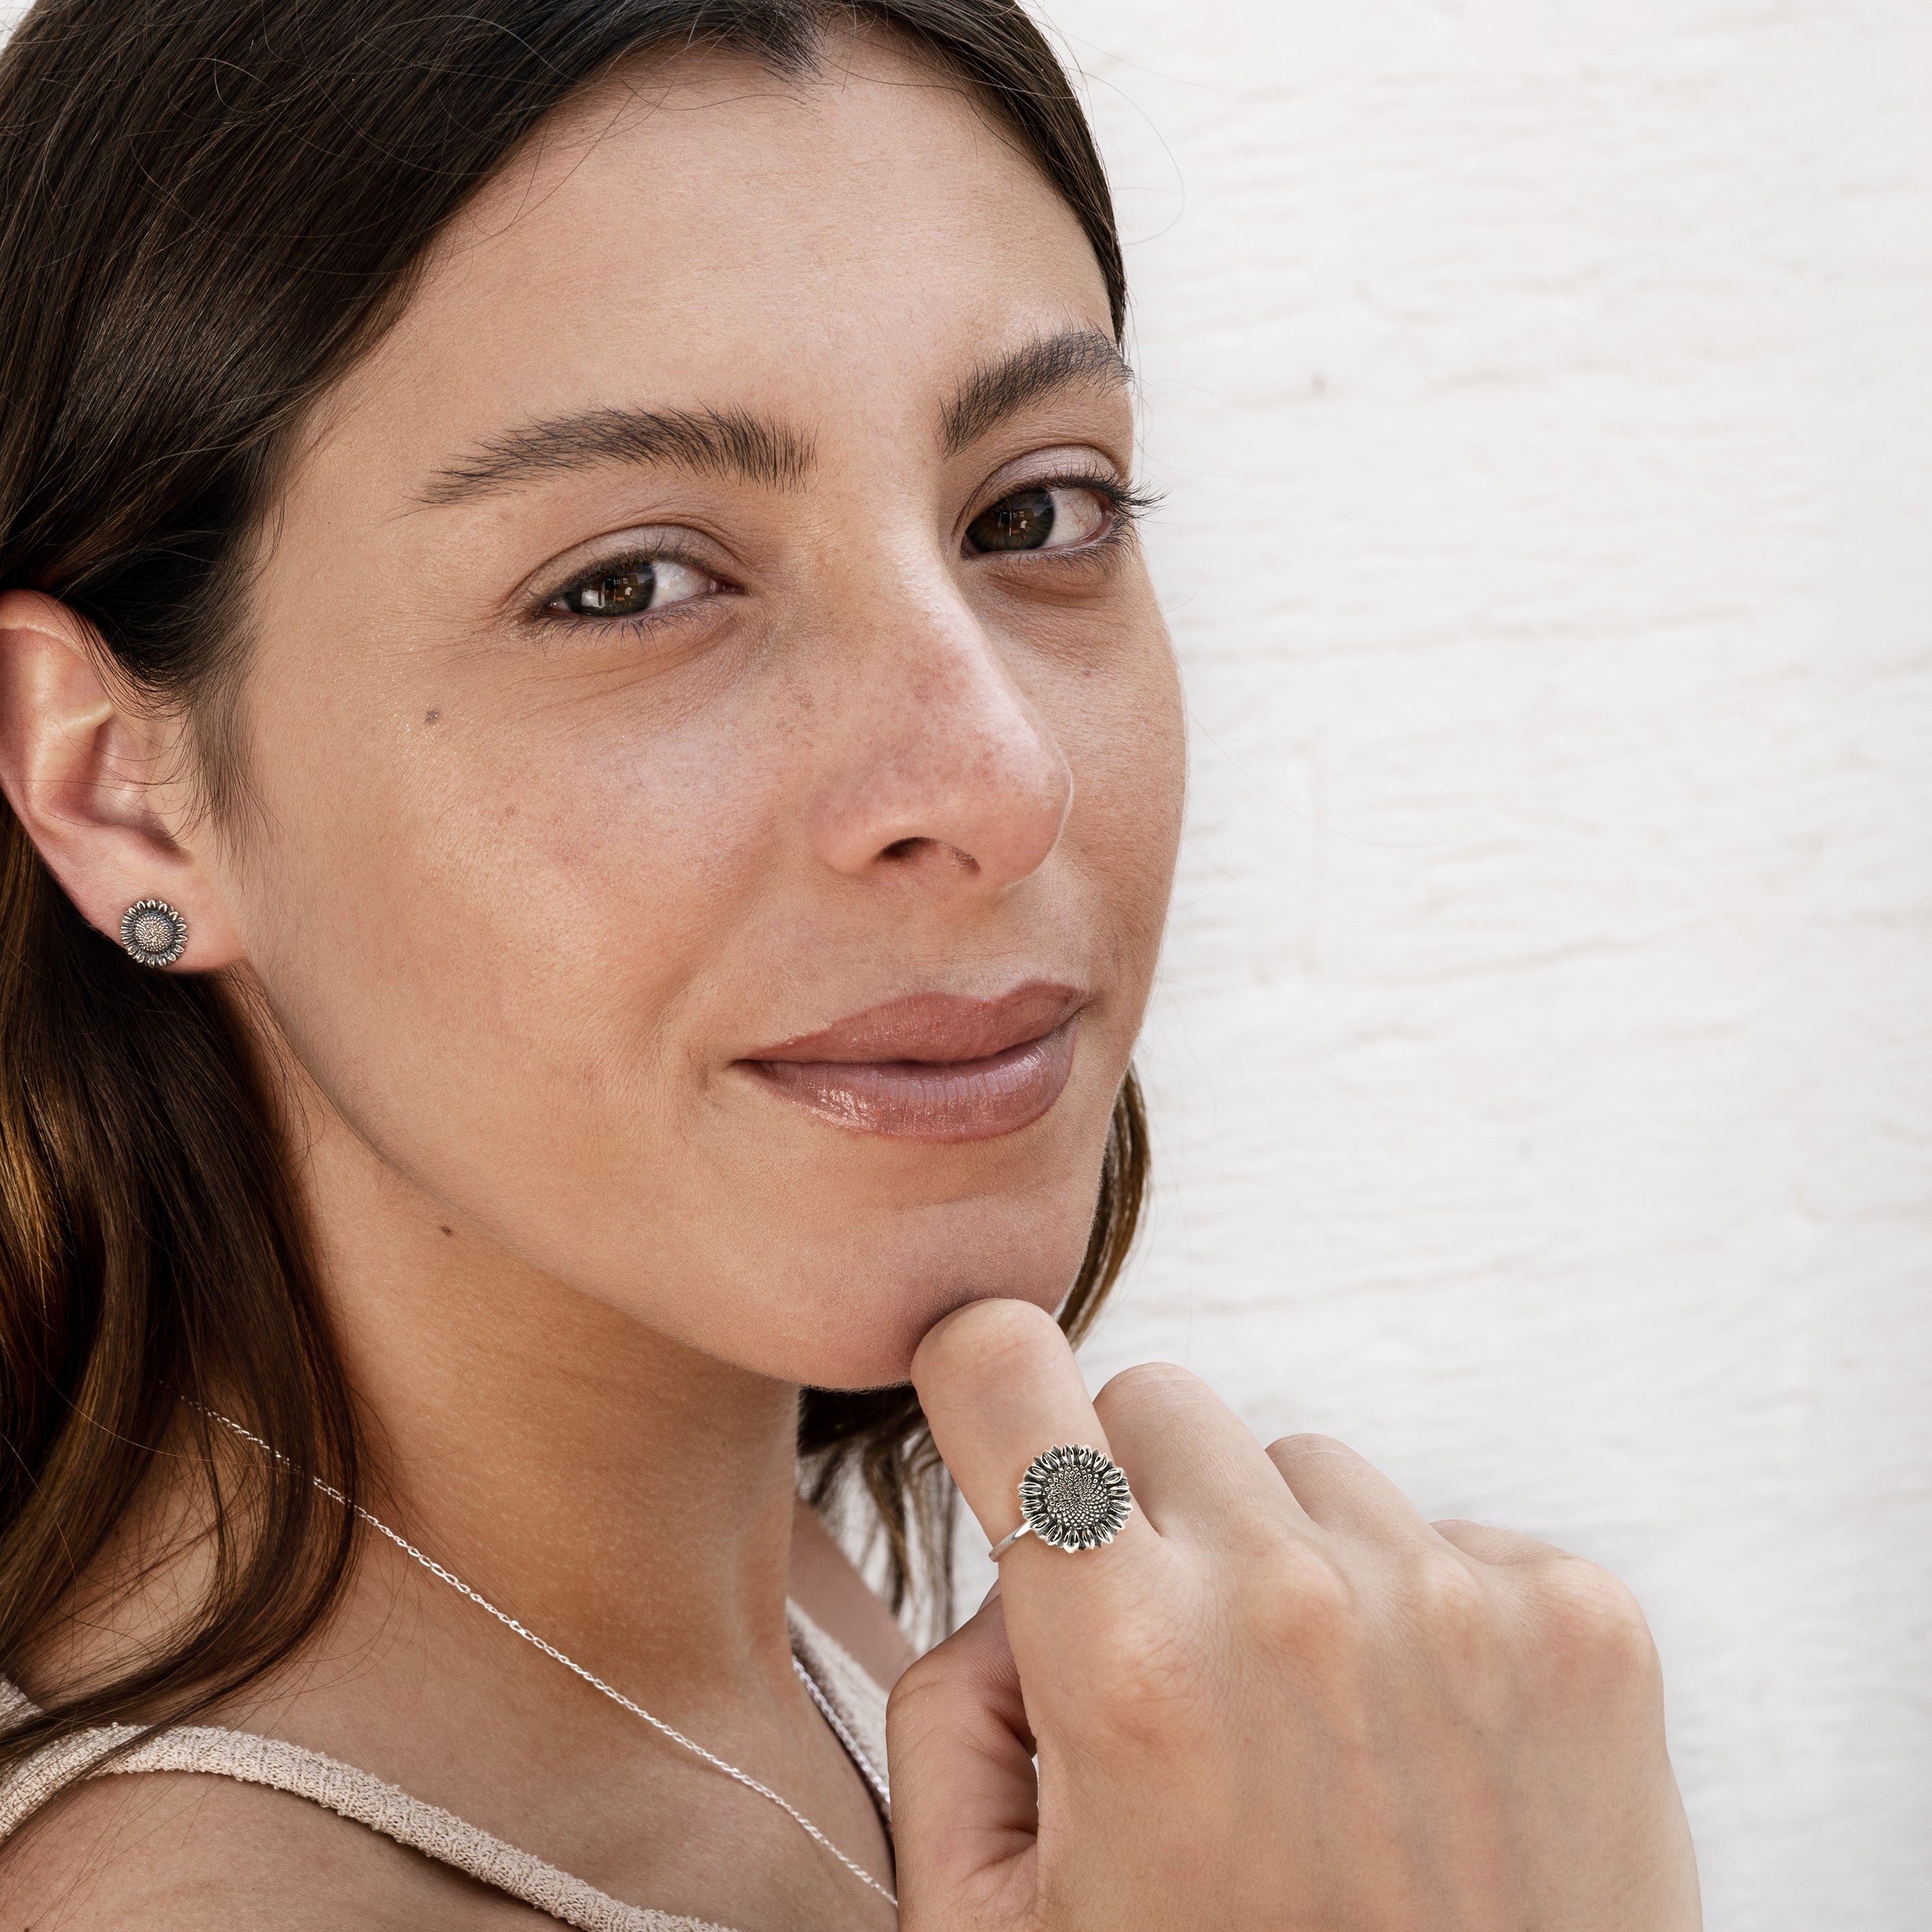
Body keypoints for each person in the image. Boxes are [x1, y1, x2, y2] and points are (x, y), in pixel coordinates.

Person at [0, 1, 1702, 1925]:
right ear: (122, 791)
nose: (998, 777)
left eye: (1033, 513)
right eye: (628, 584)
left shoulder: (748, 1589)